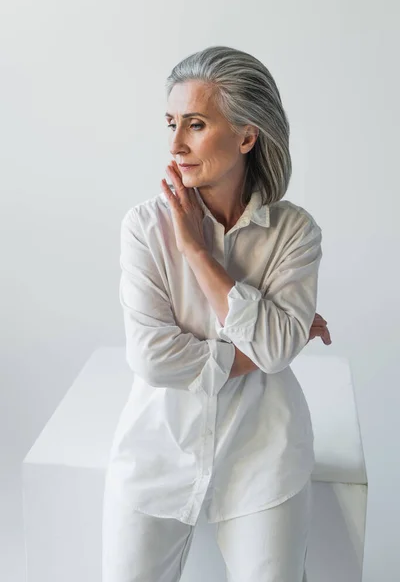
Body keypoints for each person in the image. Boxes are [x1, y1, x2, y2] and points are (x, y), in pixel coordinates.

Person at [102, 45, 332, 582]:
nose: (176, 144)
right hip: (156, 456)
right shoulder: (143, 226)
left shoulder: (294, 233)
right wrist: (275, 340)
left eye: (196, 124)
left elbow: (274, 350)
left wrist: (198, 254)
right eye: (172, 123)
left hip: (264, 459)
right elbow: (154, 359)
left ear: (246, 137)